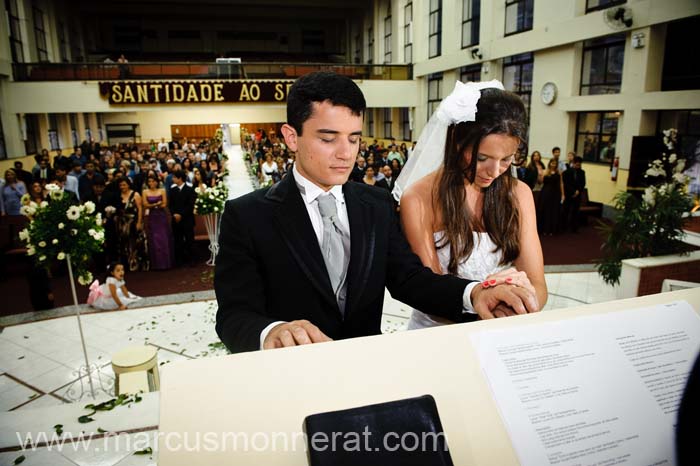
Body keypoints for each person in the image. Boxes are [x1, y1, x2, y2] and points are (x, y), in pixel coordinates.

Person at [214, 71, 538, 354]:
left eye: (354, 139)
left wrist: (474, 293)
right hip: (291, 373)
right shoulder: (247, 216)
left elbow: (410, 280)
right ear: (291, 137)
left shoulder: (376, 204)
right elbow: (234, 315)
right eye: (328, 138)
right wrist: (271, 331)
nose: (345, 153)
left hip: (367, 365)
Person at [393, 81, 546, 330]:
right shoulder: (419, 198)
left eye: (506, 160)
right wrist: (486, 306)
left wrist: (520, 304)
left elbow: (538, 283)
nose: (494, 171)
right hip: (440, 328)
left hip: (500, 326)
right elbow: (431, 291)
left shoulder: (519, 194)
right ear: (456, 142)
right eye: (482, 158)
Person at [115, 176, 149, 271]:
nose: (122, 187)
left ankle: (137, 264)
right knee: (124, 243)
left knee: (135, 243)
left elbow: (140, 209)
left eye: (124, 185)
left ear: (128, 185)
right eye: (120, 185)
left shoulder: (135, 194)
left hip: (133, 222)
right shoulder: (118, 195)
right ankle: (126, 264)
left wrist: (139, 222)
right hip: (122, 224)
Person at [142, 174, 174, 270]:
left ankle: (166, 263)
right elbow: (145, 204)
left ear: (157, 182)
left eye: (153, 181)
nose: (151, 183)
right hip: (152, 217)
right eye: (149, 181)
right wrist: (155, 204)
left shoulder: (162, 190)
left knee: (164, 238)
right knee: (154, 239)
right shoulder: (145, 192)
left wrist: (155, 205)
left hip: (161, 216)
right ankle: (157, 264)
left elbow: (164, 203)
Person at [169, 170, 196, 266]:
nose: (172, 179)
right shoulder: (172, 190)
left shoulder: (189, 189)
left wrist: (181, 214)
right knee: (177, 240)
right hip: (175, 219)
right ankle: (179, 260)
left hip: (187, 219)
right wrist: (174, 214)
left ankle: (192, 259)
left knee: (189, 240)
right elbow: (170, 205)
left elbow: (190, 205)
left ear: (179, 178)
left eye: (174, 177)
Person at [537, 158, 564, 235]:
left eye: (555, 163)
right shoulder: (545, 171)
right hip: (546, 193)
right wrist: (540, 175)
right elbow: (540, 182)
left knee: (554, 211)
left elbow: (561, 184)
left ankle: (552, 230)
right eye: (552, 163)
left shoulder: (559, 173)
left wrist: (563, 194)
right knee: (545, 211)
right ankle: (544, 230)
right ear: (549, 164)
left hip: (555, 194)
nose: (553, 165)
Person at [561, 156, 586, 233]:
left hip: (577, 195)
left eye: (579, 164)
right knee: (566, 210)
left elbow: (583, 183)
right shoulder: (567, 172)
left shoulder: (582, 172)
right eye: (576, 164)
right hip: (569, 194)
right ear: (573, 163)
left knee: (575, 212)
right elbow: (566, 183)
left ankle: (574, 228)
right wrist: (573, 191)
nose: (578, 165)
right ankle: (564, 227)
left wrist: (578, 191)